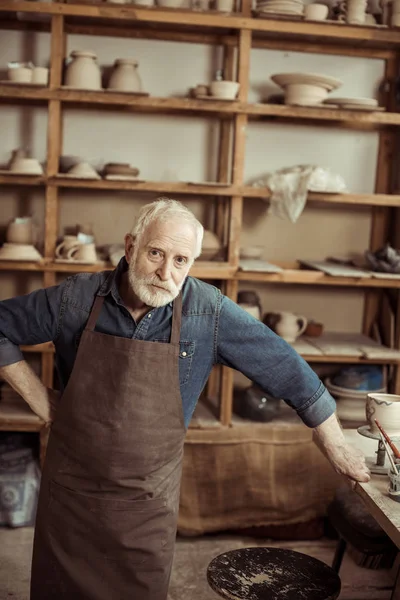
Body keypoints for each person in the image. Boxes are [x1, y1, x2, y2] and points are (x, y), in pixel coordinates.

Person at [0, 197, 369, 600]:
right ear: (130, 247)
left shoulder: (206, 312)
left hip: (146, 507)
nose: (165, 273)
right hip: (71, 499)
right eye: (156, 253)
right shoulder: (76, 298)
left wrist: (332, 439)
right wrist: (37, 396)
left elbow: (284, 366)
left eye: (181, 261)